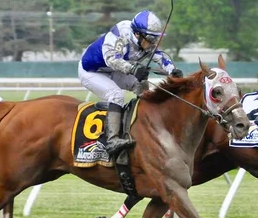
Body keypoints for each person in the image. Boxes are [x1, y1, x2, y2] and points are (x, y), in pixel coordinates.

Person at [78, 10, 182, 156]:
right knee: (116, 95)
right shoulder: (120, 34)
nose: (154, 42)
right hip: (91, 71)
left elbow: (159, 56)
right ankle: (112, 140)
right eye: (151, 38)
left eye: (156, 38)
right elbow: (112, 59)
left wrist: (172, 71)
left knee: (142, 85)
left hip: (111, 70)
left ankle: (145, 125)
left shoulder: (144, 39)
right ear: (138, 34)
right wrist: (133, 69)